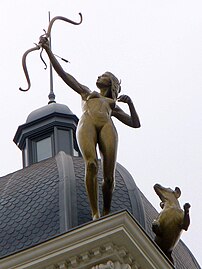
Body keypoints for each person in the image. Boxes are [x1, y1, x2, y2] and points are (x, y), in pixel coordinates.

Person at [39, 36, 141, 220]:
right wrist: (48, 51)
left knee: (109, 178)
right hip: (87, 123)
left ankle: (107, 213)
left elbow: (135, 123)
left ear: (110, 83)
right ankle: (96, 213)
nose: (98, 77)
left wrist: (131, 104)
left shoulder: (111, 103)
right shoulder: (87, 93)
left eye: (103, 76)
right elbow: (64, 74)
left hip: (106, 126)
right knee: (91, 164)